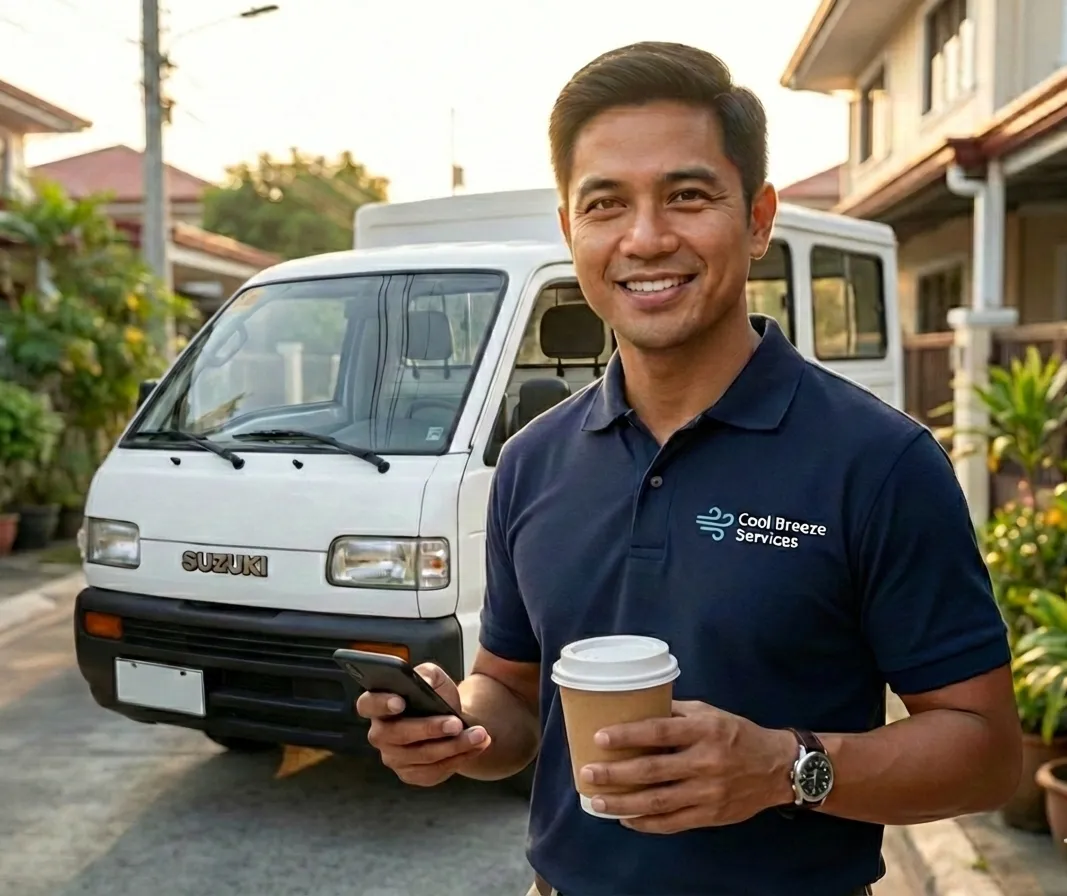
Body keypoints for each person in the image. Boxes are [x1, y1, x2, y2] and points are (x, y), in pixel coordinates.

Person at [357, 41, 1022, 896]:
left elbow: (985, 752)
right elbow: (512, 697)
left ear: (756, 219)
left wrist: (786, 768)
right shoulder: (532, 461)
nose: (644, 237)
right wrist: (458, 731)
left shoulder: (879, 461)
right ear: (571, 231)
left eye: (686, 195)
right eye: (605, 204)